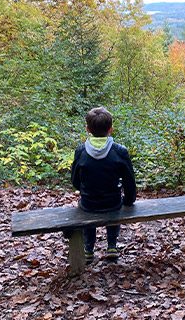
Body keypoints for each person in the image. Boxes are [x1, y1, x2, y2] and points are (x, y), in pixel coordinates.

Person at [70, 107, 136, 264]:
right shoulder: (119, 151)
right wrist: (129, 200)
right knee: (115, 205)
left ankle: (88, 249)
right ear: (111, 129)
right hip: (113, 202)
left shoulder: (81, 151)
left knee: (86, 209)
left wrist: (84, 189)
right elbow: (129, 181)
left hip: (88, 202)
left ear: (87, 129)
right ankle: (112, 245)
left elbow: (75, 181)